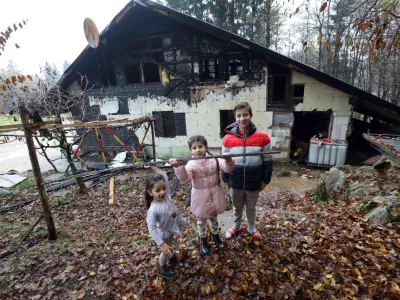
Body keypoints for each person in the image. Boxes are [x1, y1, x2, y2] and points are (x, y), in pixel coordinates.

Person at [169, 135, 235, 256]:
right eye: (194, 148)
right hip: (200, 196)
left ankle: (216, 237)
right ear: (191, 150)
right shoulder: (191, 164)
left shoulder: (214, 159)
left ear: (205, 147)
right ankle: (203, 240)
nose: (198, 150)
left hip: (215, 193)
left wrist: (228, 160)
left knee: (214, 218)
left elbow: (227, 169)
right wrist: (178, 167)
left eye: (200, 146)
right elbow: (185, 178)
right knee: (201, 220)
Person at [221, 102, 273, 239]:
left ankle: (251, 227)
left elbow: (267, 161)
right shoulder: (227, 139)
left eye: (245, 115)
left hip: (254, 181)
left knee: (251, 207)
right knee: (237, 207)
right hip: (235, 181)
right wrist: (226, 179)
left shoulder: (263, 138)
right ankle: (236, 226)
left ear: (251, 115)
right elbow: (223, 161)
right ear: (235, 117)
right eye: (239, 115)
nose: (242, 118)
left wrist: (265, 179)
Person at [146, 172, 188, 279]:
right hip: (164, 235)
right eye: (158, 190)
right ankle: (161, 268)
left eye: (164, 188)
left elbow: (164, 175)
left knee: (172, 246)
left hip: (171, 229)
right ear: (150, 193)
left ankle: (172, 258)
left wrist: (180, 221)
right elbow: (152, 229)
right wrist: (161, 244)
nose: (162, 192)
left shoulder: (167, 197)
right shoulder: (153, 210)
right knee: (166, 252)